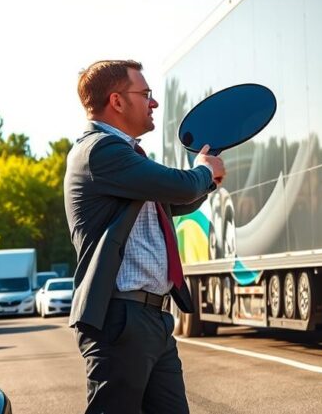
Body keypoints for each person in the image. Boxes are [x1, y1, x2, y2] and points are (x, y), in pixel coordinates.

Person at [64, 59, 225, 414]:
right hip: (121, 318)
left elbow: (172, 200)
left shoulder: (124, 156)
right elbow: (178, 185)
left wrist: (206, 180)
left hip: (152, 318)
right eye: (145, 93)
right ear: (117, 101)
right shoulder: (99, 150)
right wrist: (201, 172)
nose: (154, 102)